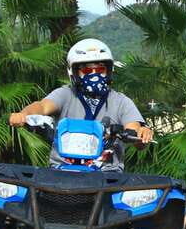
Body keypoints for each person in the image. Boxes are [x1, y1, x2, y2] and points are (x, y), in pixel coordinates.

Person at [9, 38, 153, 171]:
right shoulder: (65, 94)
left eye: (100, 70)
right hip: (61, 172)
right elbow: (42, 106)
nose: (94, 75)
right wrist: (24, 115)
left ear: (109, 71)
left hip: (108, 176)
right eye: (87, 70)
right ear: (74, 72)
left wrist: (141, 134)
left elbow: (133, 128)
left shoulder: (121, 101)